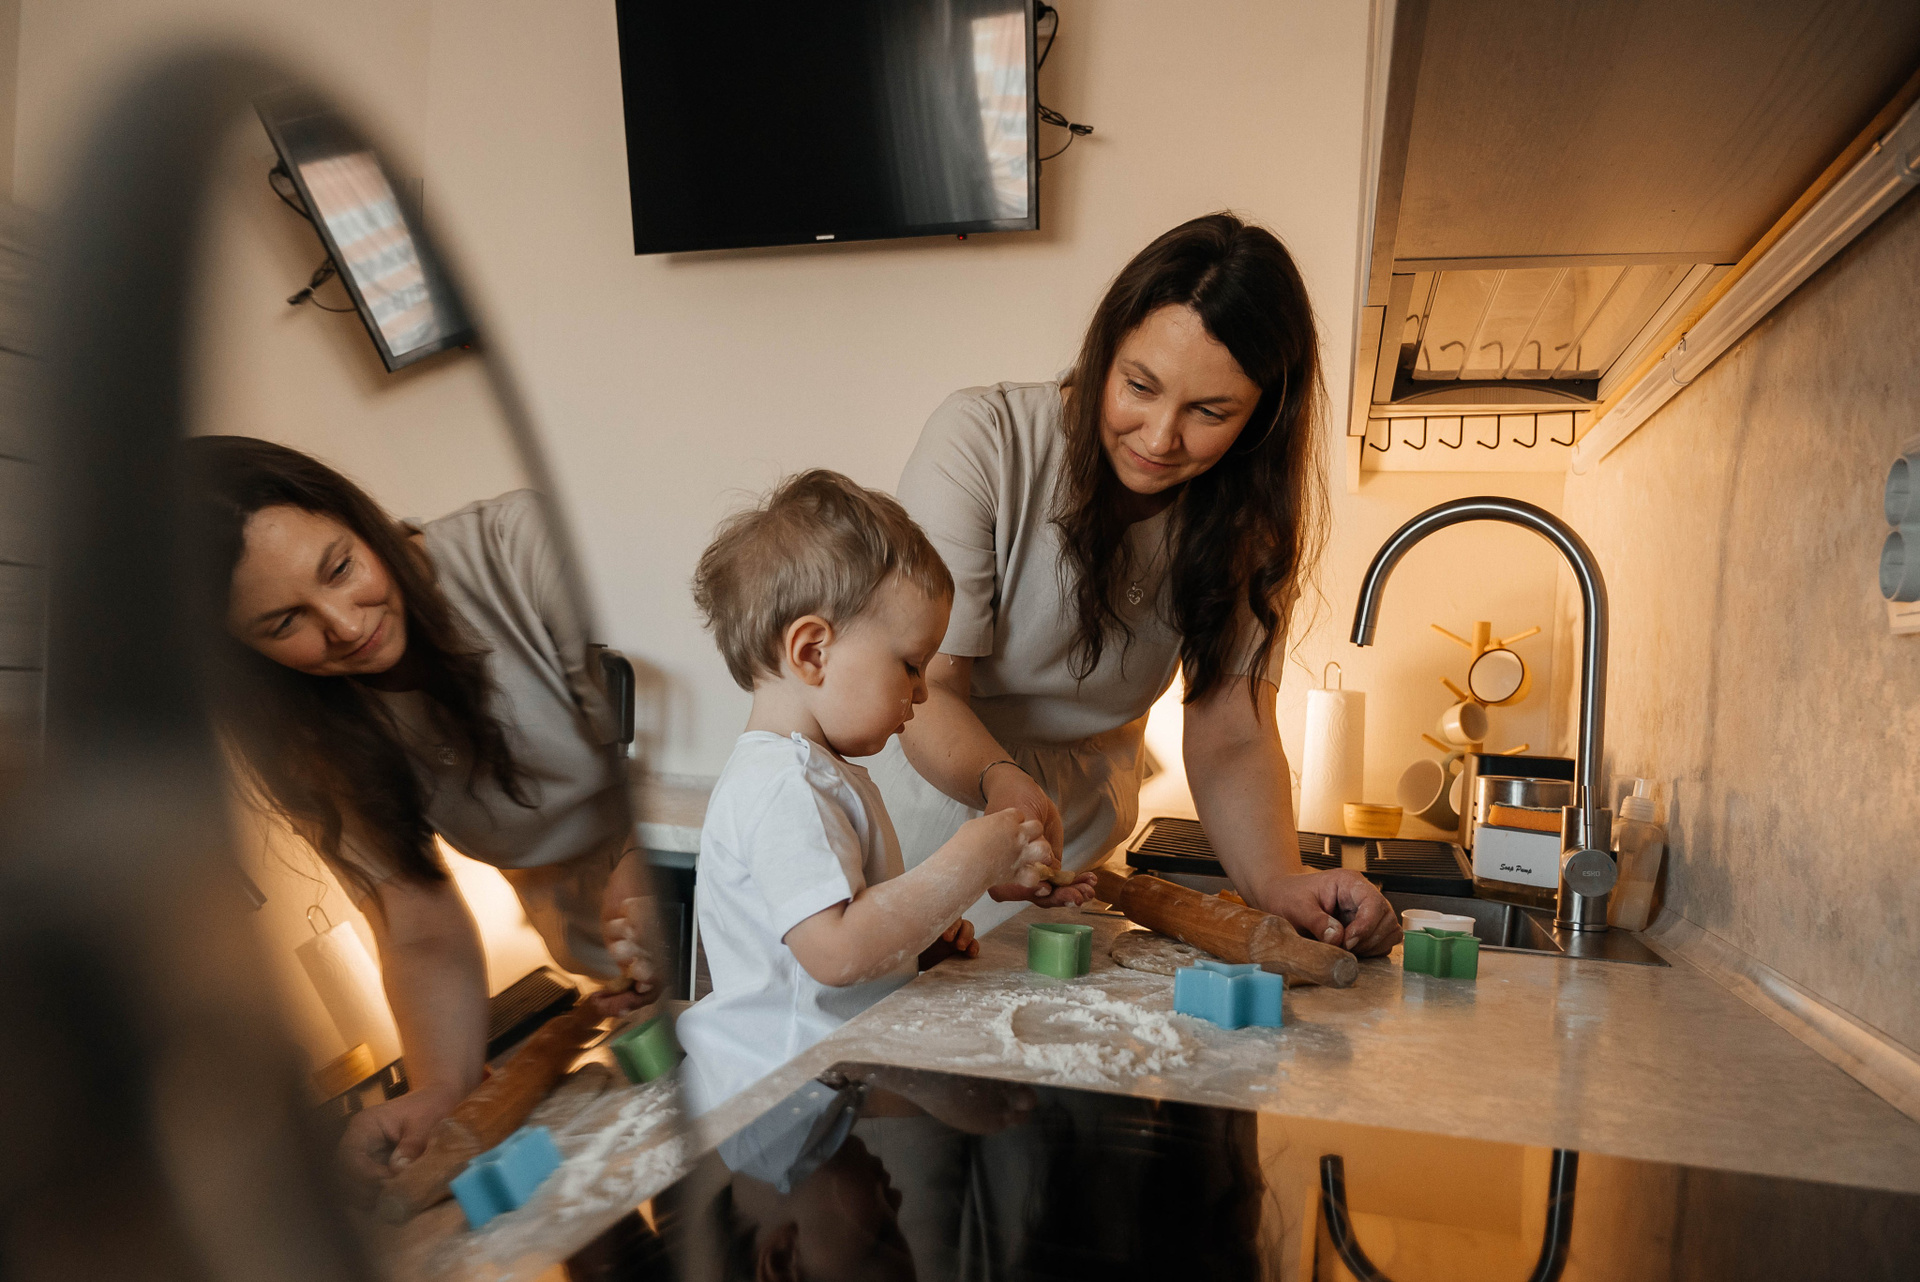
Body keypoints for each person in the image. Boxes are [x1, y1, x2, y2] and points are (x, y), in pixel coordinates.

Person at [870, 212, 1400, 952]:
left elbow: (1232, 734)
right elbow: (930, 688)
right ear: (1106, 351)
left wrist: (1280, 881)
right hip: (916, 846)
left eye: (1209, 411)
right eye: (1139, 386)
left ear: (1261, 416)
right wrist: (1006, 789)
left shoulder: (1246, 522)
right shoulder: (984, 440)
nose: (1158, 437)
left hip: (1070, 870)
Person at [185, 436, 657, 1183]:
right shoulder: (302, 733)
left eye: (340, 568)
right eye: (284, 624)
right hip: (632, 985)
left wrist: (648, 861)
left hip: (773, 895)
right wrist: (438, 1089)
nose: (344, 626)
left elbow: (688, 736)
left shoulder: (520, 546)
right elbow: (417, 927)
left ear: (360, 519)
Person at [675, 470, 1054, 1115]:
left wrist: (915, 948)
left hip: (814, 1088)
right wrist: (971, 862)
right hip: (774, 1100)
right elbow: (836, 951)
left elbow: (836, 941)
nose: (923, 692)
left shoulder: (817, 774)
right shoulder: (785, 786)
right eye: (909, 665)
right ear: (812, 652)